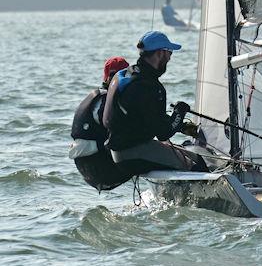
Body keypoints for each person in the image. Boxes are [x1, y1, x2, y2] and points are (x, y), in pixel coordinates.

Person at [103, 31, 205, 176]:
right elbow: (163, 133)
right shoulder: (148, 87)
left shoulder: (127, 75)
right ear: (160, 53)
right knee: (196, 168)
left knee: (196, 158)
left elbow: (147, 119)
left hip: (123, 150)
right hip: (132, 153)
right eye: (169, 52)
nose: (170, 57)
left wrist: (178, 123)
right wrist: (179, 113)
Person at [69, 56, 133, 191]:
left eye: (121, 74)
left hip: (87, 169)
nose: (118, 79)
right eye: (114, 75)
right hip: (101, 168)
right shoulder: (106, 102)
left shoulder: (97, 97)